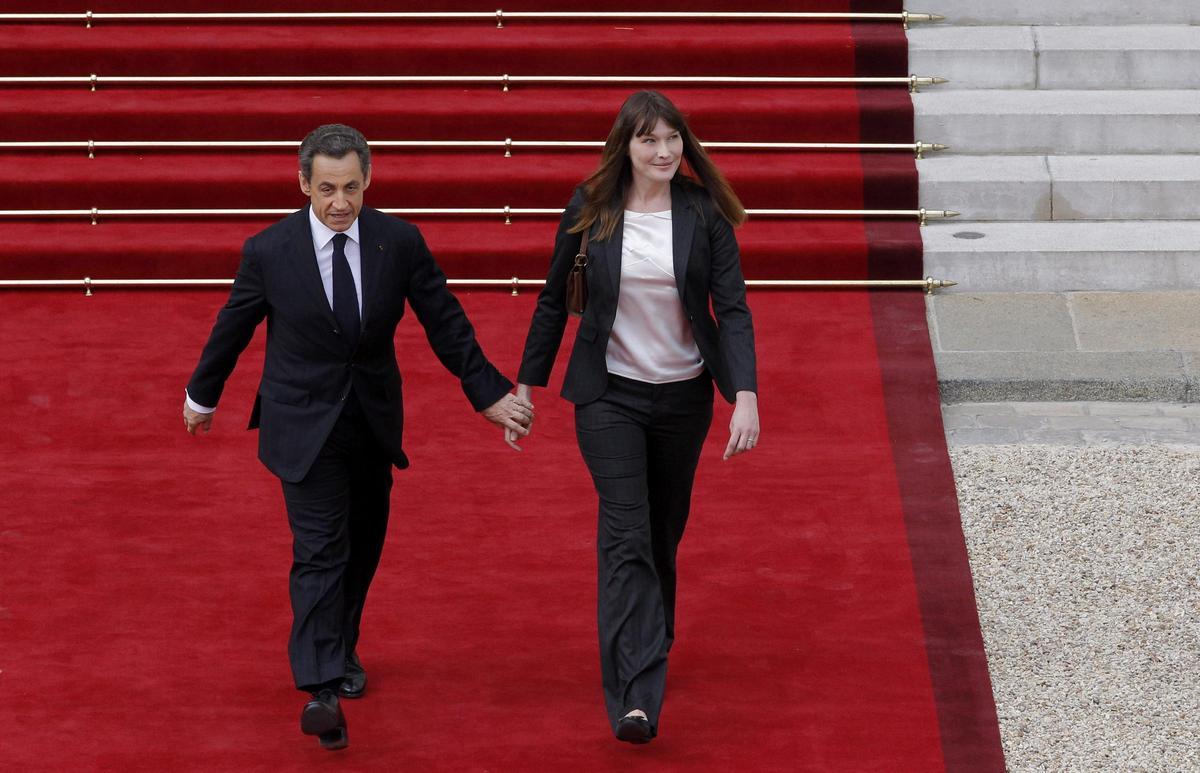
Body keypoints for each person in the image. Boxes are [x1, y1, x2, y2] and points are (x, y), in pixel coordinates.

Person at [181, 124, 533, 751]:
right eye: (325, 189)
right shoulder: (270, 250)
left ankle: (340, 646)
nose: (339, 202)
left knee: (362, 546)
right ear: (302, 185)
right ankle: (319, 689)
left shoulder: (398, 242)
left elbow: (445, 322)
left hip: (370, 421)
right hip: (300, 422)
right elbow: (232, 325)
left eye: (349, 188)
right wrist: (202, 395)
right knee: (321, 550)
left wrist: (488, 394)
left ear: (367, 180)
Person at [513, 91, 760, 743]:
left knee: (660, 533)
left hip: (683, 398)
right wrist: (526, 385)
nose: (663, 151)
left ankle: (649, 638)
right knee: (628, 534)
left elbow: (731, 308)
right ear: (625, 145)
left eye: (672, 138)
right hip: (608, 396)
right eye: (649, 140)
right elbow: (549, 299)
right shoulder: (592, 207)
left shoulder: (703, 212)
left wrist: (746, 395)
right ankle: (636, 696)